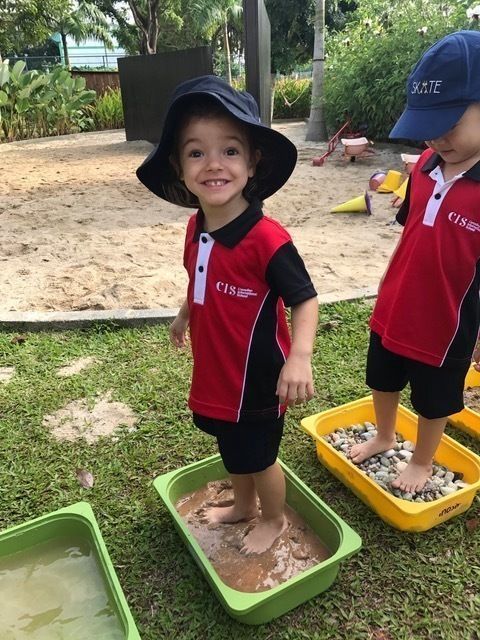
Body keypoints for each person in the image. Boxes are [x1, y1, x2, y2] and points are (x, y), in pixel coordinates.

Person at [136, 76, 318, 553]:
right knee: (233, 449)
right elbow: (200, 283)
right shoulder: (197, 228)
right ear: (178, 166)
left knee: (261, 457)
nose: (213, 164)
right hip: (216, 371)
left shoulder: (268, 241)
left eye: (230, 151)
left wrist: (299, 357)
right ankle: (243, 506)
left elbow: (305, 299)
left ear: (253, 160)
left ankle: (273, 517)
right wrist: (183, 316)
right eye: (196, 153)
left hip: (257, 377)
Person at [350, 30, 480, 494]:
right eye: (430, 122)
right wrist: (388, 285)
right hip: (394, 306)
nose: (437, 135)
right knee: (381, 376)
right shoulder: (423, 168)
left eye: (450, 120)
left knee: (434, 398)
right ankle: (385, 434)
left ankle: (423, 460)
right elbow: (409, 234)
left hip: (447, 324)